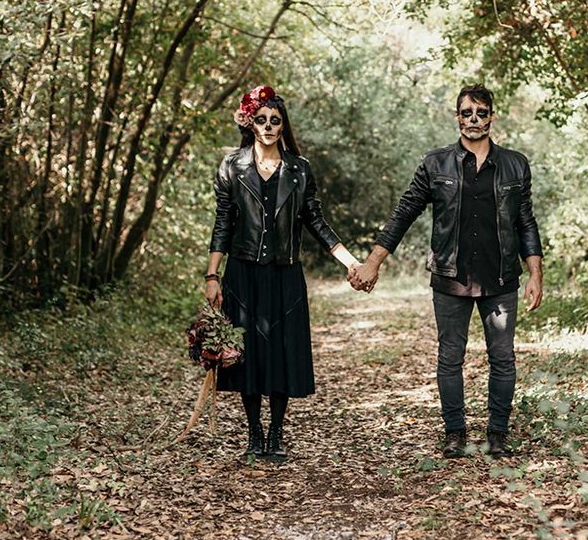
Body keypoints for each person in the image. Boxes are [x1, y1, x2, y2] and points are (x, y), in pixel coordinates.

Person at [349, 84, 543, 459]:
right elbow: (404, 213)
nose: (474, 120)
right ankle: (454, 433)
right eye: (467, 113)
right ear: (457, 117)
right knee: (449, 357)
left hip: (501, 278)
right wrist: (373, 261)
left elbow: (526, 222)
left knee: (502, 358)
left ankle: (497, 434)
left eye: (481, 113)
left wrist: (535, 272)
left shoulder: (515, 164)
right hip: (450, 277)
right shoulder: (435, 164)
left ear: (491, 116)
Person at [205, 85, 359, 462]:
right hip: (242, 274)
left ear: (283, 125)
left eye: (276, 121)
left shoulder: (299, 169)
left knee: (282, 352)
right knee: (249, 356)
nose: (270, 126)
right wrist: (212, 275)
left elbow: (317, 223)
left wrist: (350, 261)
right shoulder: (232, 167)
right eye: (262, 120)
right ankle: (254, 435)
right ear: (251, 123)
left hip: (285, 275)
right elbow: (223, 223)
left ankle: (276, 434)